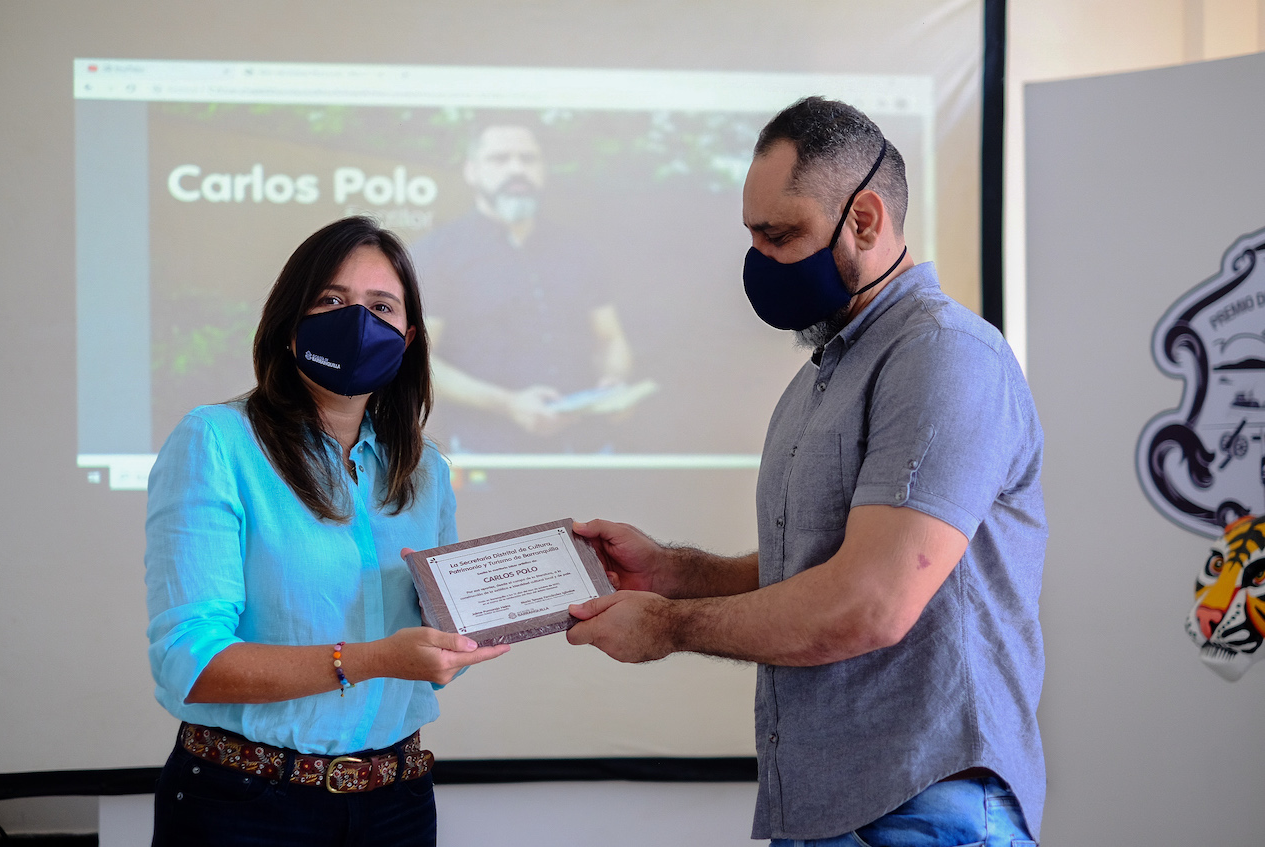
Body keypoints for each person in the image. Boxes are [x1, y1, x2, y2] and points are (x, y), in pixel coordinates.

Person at [566, 97, 1047, 846]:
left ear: (866, 220)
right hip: (827, 806)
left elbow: (870, 601)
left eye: (781, 235)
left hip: (926, 804)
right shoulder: (828, 369)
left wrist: (667, 626)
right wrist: (674, 573)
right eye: (753, 236)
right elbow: (821, 566)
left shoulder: (944, 355)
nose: (760, 260)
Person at [144, 216, 509, 846]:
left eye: (381, 307)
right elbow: (189, 662)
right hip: (246, 806)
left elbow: (435, 656)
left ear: (407, 338)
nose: (358, 322)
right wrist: (373, 659)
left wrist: (498, 611)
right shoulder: (217, 441)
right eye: (333, 301)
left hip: (398, 803)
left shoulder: (426, 469)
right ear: (291, 327)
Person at [411, 123, 639, 452]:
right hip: (485, 455)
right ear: (472, 172)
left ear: (543, 170)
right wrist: (508, 404)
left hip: (585, 450)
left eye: (528, 159)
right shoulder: (436, 254)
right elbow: (415, 361)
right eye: (500, 159)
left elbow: (610, 339)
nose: (516, 169)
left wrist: (614, 381)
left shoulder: (578, 250)